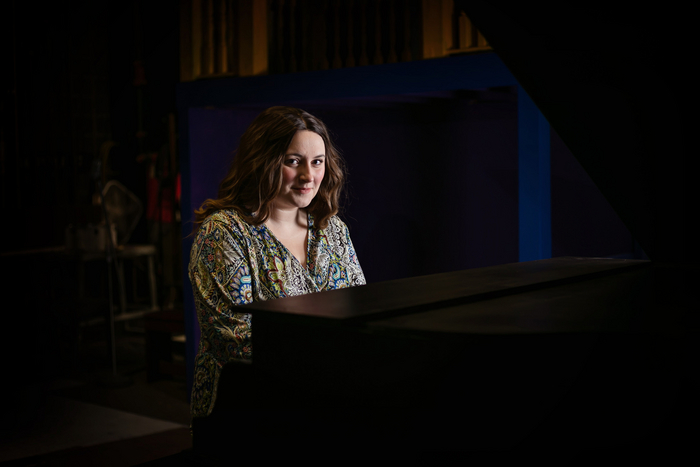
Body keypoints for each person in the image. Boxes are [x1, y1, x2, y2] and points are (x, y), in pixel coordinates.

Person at [188, 106, 366, 419]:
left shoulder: (332, 229)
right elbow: (236, 341)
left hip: (330, 398)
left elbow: (360, 310)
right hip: (249, 409)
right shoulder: (226, 232)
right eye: (293, 161)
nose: (308, 176)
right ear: (263, 161)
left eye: (317, 162)